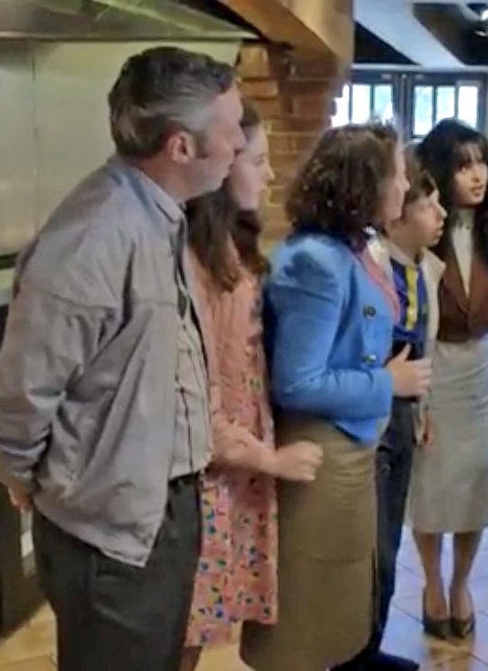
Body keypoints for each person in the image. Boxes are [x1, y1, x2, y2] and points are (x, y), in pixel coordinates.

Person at [0, 47, 247, 671]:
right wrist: (36, 481)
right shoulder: (98, 234)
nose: (238, 143)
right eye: (230, 128)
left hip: (157, 511)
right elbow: (13, 404)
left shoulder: (157, 216)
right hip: (109, 535)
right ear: (180, 147)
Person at [240, 124, 432, 671]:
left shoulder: (354, 247)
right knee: (307, 607)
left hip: (352, 447)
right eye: (397, 174)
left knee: (342, 591)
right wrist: (387, 385)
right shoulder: (315, 263)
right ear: (363, 184)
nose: (405, 185)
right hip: (320, 452)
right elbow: (297, 381)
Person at [179, 100, 325, 670]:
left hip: (230, 471)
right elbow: (197, 394)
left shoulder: (227, 252)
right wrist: (268, 457)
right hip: (207, 477)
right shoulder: (198, 264)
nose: (269, 175)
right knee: (179, 637)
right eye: (258, 160)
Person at [407, 119, 488, 641]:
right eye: (462, 166)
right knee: (432, 485)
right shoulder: (418, 226)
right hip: (437, 364)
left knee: (478, 484)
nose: (476, 175)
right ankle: (432, 583)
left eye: (481, 162)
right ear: (439, 171)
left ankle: (462, 583)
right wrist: (415, 400)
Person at [338, 148, 447, 671]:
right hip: (370, 415)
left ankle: (371, 647)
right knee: (368, 549)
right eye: (429, 204)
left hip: (403, 415)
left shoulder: (427, 270)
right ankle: (353, 653)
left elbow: (427, 349)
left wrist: (424, 411)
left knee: (388, 543)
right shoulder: (366, 266)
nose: (441, 215)